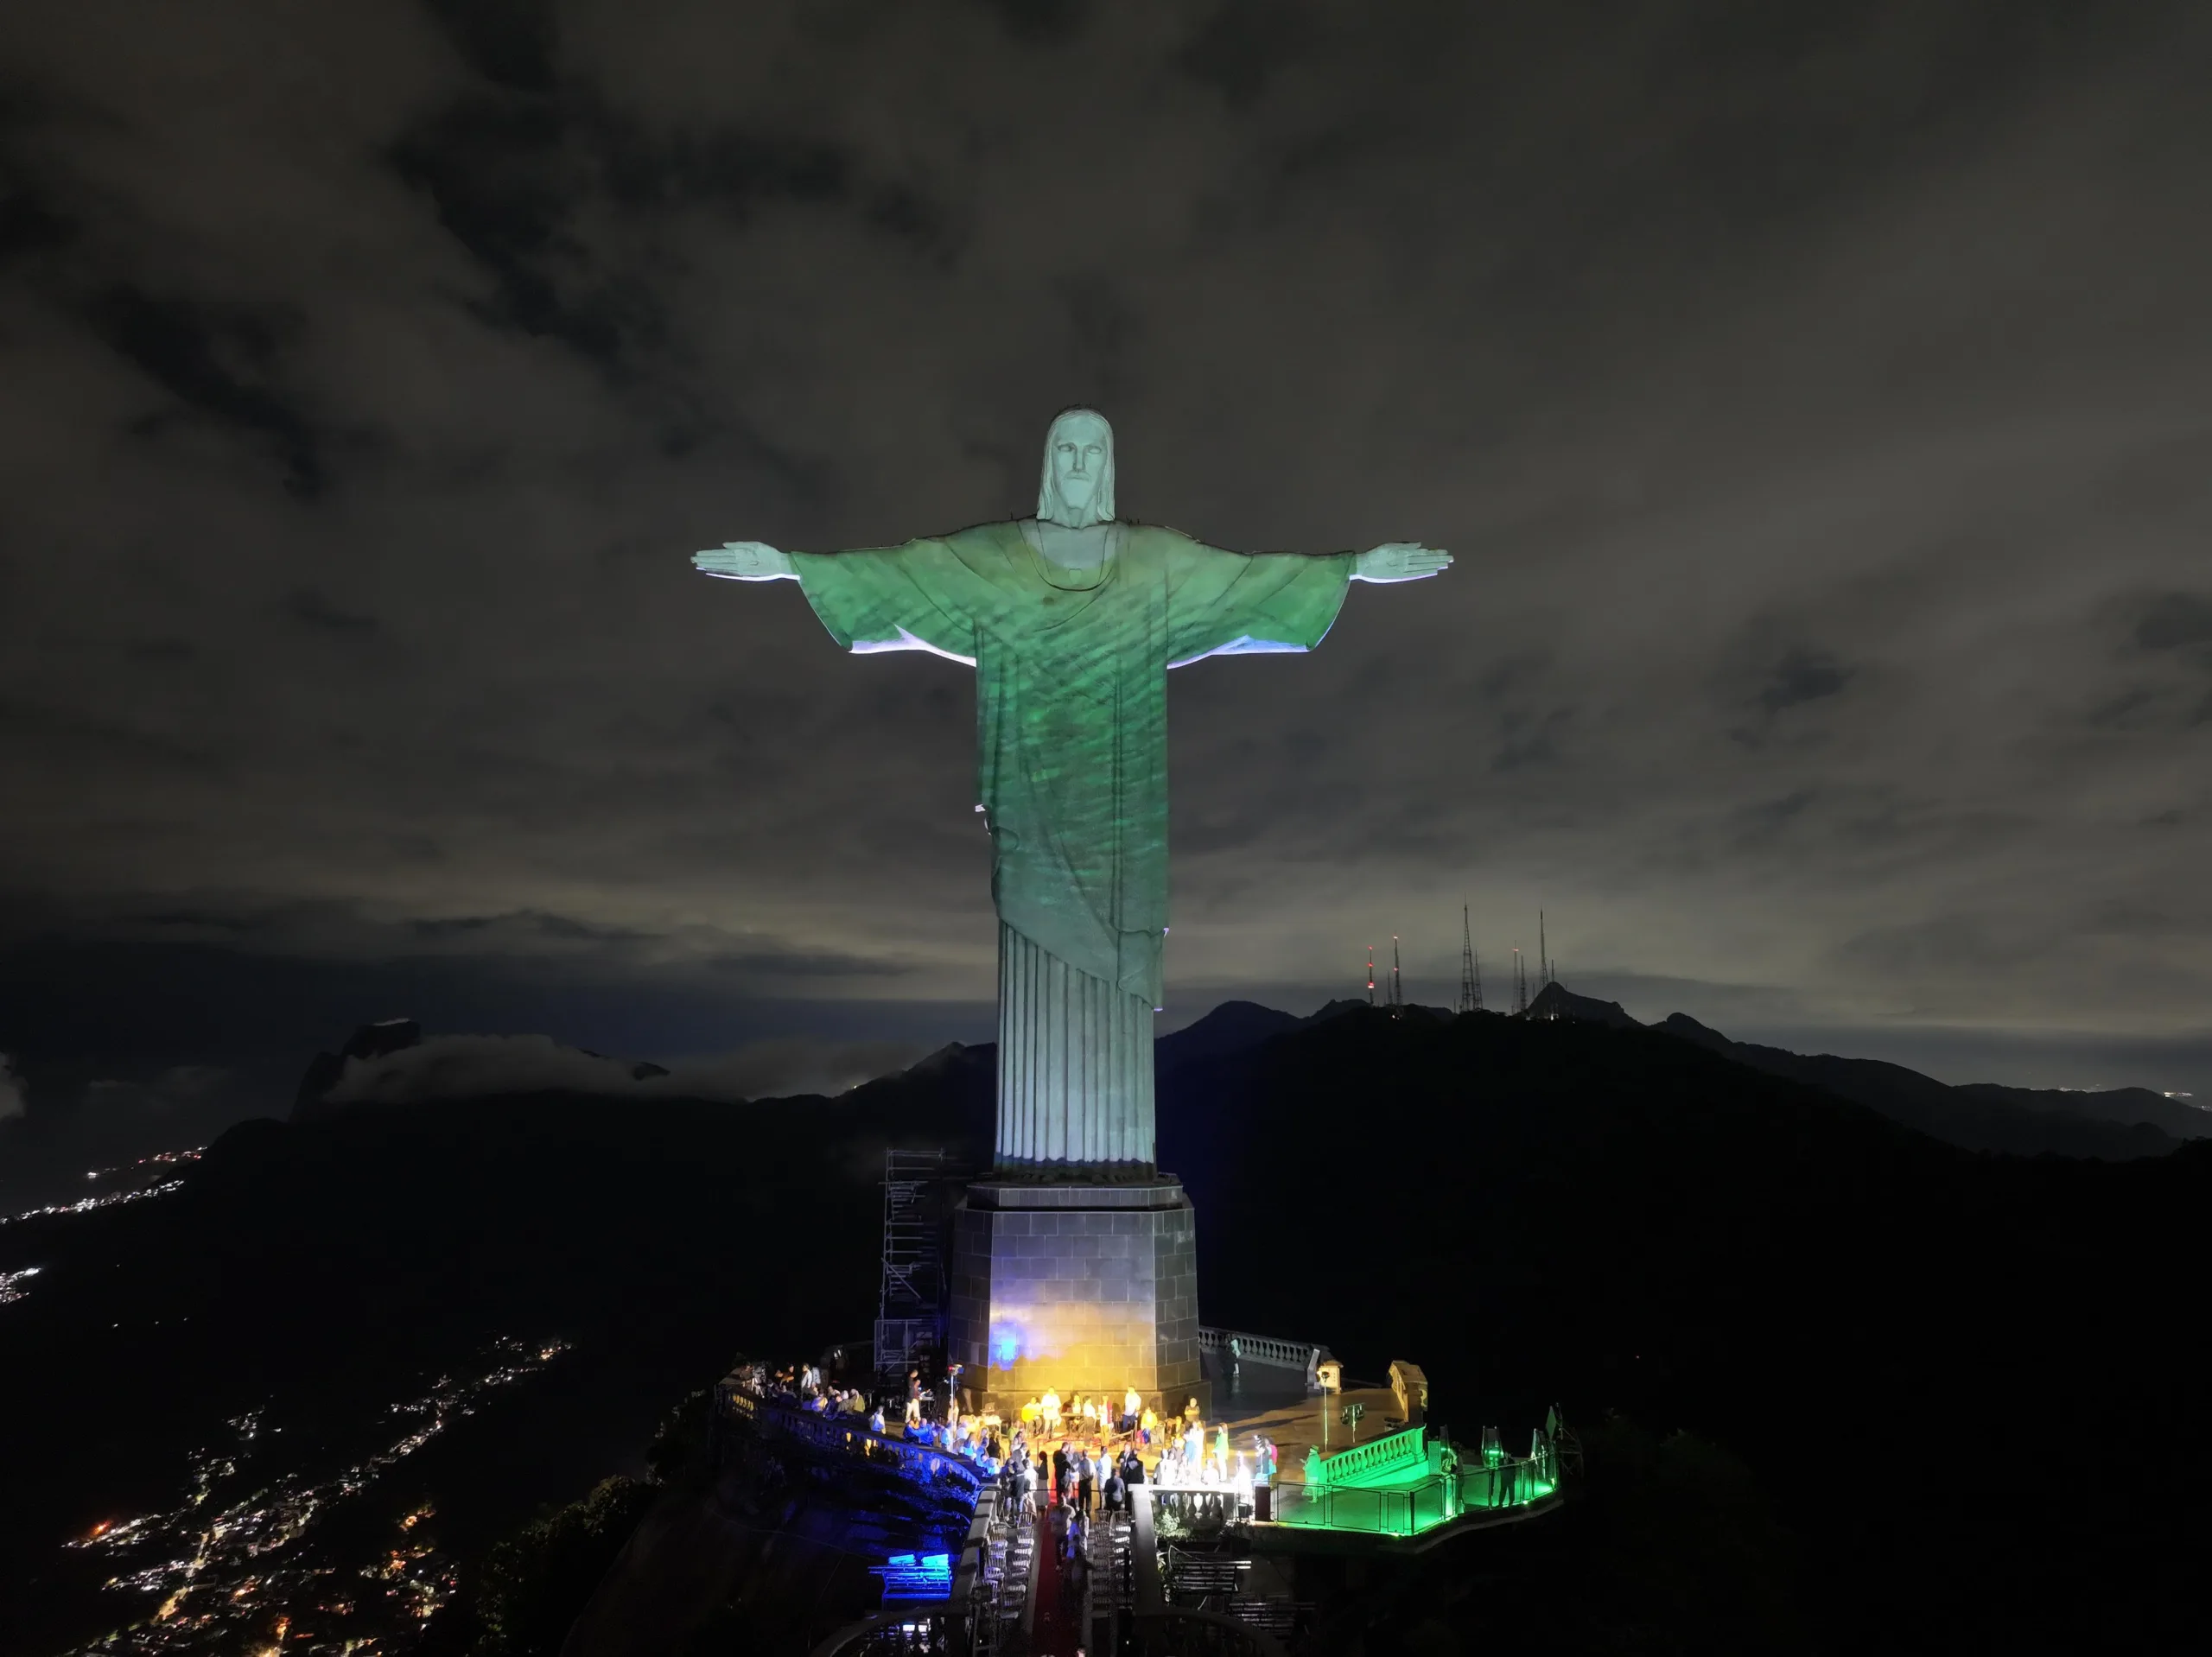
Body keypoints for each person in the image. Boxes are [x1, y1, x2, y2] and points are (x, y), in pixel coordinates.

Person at [1077, 1447, 1096, 1514]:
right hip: (1088, 1481)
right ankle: (1088, 1509)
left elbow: (1077, 1470)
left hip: (1081, 1481)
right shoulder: (1090, 1462)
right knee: (1088, 1496)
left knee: (1081, 1497)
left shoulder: (1080, 1463)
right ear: (1087, 1454)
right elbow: (1093, 1472)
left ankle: (1081, 1509)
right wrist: (1091, 1479)